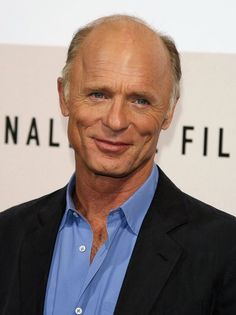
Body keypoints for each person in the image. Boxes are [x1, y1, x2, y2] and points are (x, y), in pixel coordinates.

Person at [0, 14, 236, 315]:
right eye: (98, 94)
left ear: (168, 113)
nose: (115, 121)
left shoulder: (225, 251)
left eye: (140, 101)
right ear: (64, 96)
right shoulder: (7, 236)